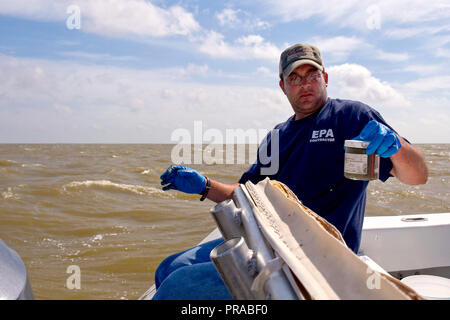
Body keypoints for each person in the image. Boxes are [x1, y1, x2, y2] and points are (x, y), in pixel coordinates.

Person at [152, 43, 429, 300]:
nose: (304, 84)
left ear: (326, 78)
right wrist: (203, 185)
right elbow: (247, 195)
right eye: (294, 78)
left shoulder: (350, 117)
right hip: (264, 240)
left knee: (175, 289)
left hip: (314, 257)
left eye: (312, 74)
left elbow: (418, 176)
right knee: (167, 268)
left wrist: (397, 149)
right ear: (283, 86)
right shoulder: (277, 136)